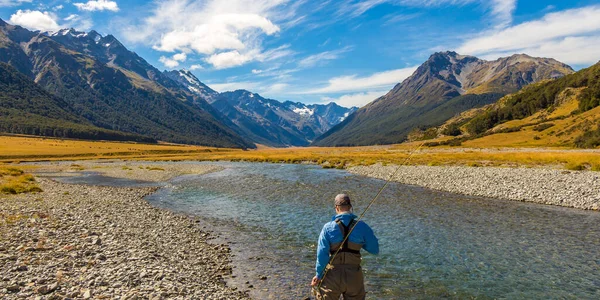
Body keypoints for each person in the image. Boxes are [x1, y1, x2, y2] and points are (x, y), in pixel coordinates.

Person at [311, 193, 379, 299]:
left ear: (336, 208)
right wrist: (359, 243)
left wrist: (318, 275)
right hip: (354, 276)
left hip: (333, 276)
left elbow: (322, 255)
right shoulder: (362, 226)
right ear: (350, 207)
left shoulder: (327, 228)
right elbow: (375, 249)